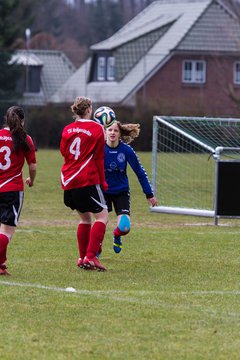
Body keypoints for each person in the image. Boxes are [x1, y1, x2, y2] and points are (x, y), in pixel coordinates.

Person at [60, 96, 109, 271]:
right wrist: (103, 181)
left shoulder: (67, 129)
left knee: (85, 219)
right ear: (89, 110)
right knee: (102, 216)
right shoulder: (97, 128)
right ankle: (91, 256)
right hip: (86, 179)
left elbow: (64, 152)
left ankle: (82, 258)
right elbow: (99, 157)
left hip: (68, 179)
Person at [103, 120, 158, 254]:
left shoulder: (126, 150)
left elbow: (140, 172)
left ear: (120, 134)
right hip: (102, 191)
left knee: (125, 227)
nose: (112, 133)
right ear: (104, 133)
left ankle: (117, 235)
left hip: (121, 191)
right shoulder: (99, 148)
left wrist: (149, 194)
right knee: (100, 223)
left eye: (115, 130)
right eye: (109, 130)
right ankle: (96, 248)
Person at [0, 106, 37, 275]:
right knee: (7, 232)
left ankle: (1, 265)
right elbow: (33, 166)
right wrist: (31, 179)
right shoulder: (25, 138)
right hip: (12, 189)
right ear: (22, 120)